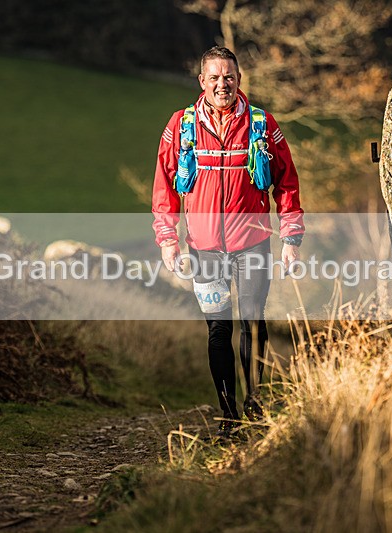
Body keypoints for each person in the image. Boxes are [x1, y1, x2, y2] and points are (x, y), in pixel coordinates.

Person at [152, 46, 304, 438]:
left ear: (239, 80)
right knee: (219, 330)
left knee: (253, 323)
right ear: (202, 82)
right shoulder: (181, 125)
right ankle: (228, 413)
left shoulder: (262, 124)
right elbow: (164, 185)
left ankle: (254, 404)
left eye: (229, 76)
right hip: (203, 248)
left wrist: (291, 238)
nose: (223, 84)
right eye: (214, 77)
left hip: (252, 245)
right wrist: (168, 238)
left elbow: (286, 183)